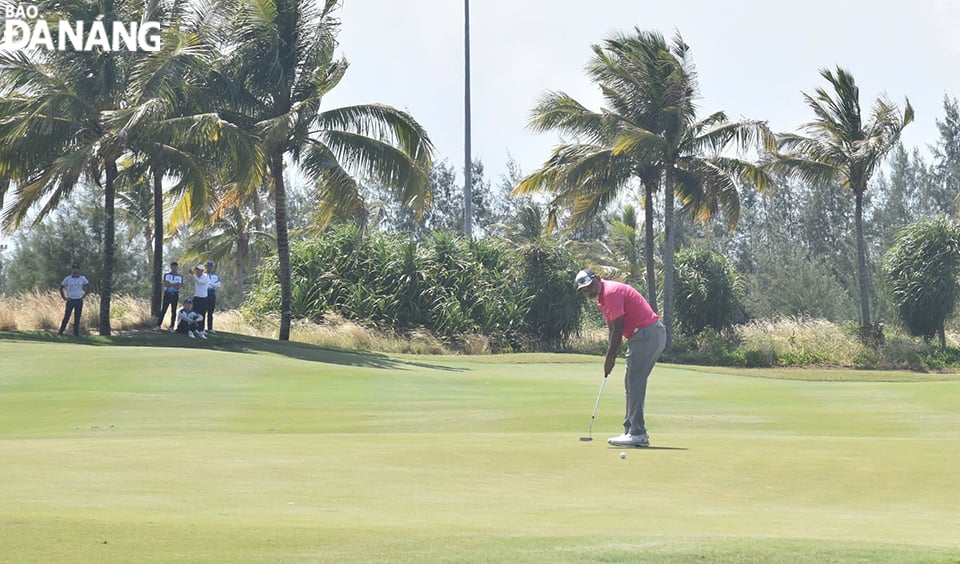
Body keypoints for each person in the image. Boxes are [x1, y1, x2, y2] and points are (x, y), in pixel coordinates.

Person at [576, 268, 665, 448]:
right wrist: (610, 357)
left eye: (589, 286)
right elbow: (611, 330)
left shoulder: (611, 292)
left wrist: (610, 357)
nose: (588, 292)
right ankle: (630, 431)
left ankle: (638, 433)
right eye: (584, 290)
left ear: (598, 279)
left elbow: (618, 327)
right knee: (631, 383)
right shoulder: (602, 300)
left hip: (647, 333)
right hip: (643, 336)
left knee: (635, 383)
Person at [58, 263, 90, 336]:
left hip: (78, 300)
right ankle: (61, 331)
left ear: (79, 270)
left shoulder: (82, 278)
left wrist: (84, 296)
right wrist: (64, 298)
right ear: (72, 270)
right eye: (74, 269)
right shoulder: (68, 278)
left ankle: (76, 333)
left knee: (77, 317)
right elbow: (61, 288)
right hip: (70, 300)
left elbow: (88, 286)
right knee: (67, 316)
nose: (75, 270)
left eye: (77, 269)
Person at [157, 261, 183, 331]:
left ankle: (171, 326)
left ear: (177, 268)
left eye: (176, 267)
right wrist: (175, 284)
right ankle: (158, 325)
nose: (174, 268)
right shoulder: (167, 275)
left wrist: (170, 284)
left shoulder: (180, 277)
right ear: (171, 267)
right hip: (167, 294)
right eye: (173, 266)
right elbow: (166, 284)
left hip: (175, 295)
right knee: (163, 310)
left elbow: (178, 287)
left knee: (173, 311)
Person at [191, 263, 211, 332]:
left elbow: (200, 282)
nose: (197, 271)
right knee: (195, 314)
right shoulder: (196, 276)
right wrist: (194, 275)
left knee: (202, 315)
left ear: (202, 270)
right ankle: (194, 329)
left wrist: (193, 275)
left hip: (203, 298)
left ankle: (201, 329)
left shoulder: (206, 276)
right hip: (196, 297)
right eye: (197, 270)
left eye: (199, 270)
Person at [204, 260, 222, 332]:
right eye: (208, 266)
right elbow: (204, 283)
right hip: (205, 293)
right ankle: (201, 328)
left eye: (211, 266)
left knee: (210, 312)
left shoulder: (215, 276)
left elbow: (218, 285)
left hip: (212, 294)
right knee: (203, 311)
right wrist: (212, 284)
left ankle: (210, 328)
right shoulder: (203, 275)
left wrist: (210, 283)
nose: (210, 268)